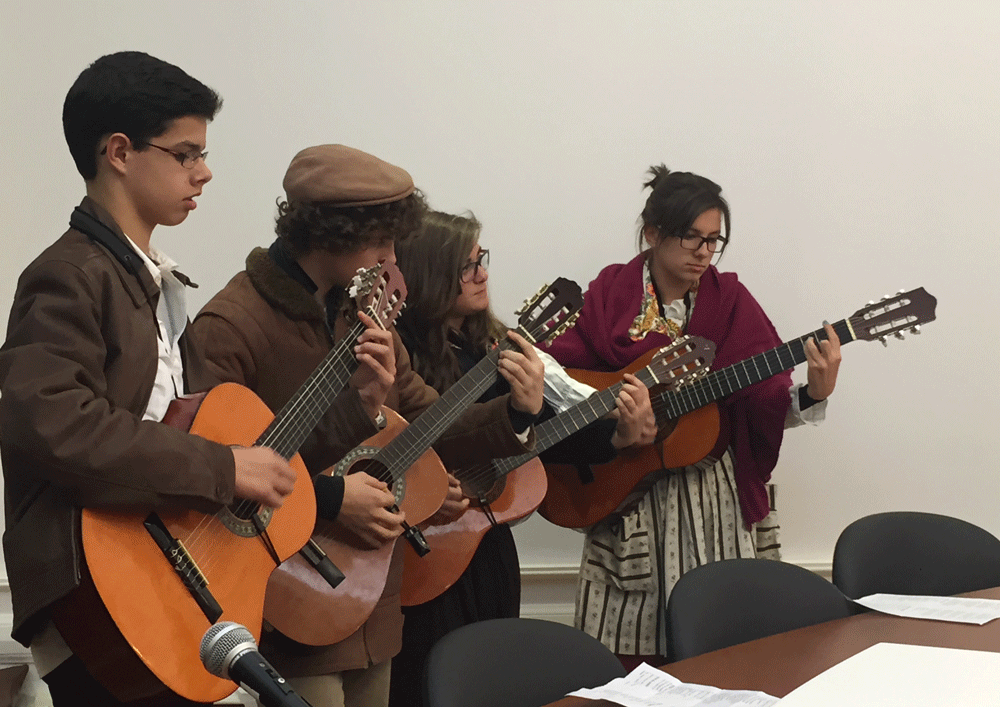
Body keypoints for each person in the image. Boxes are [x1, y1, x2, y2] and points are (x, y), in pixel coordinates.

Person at [190, 144, 546, 707]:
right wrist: (331, 497)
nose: (390, 259)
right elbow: (215, 473)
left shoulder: (362, 305)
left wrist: (516, 413)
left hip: (373, 598)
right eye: (380, 242)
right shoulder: (231, 325)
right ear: (328, 234)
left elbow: (432, 420)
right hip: (292, 596)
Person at [0, 52, 301, 706]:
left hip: (154, 570)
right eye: (186, 152)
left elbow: (186, 416)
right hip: (96, 587)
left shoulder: (149, 278)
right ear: (119, 151)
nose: (205, 170)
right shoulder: (69, 274)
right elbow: (54, 423)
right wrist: (224, 468)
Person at [540, 165, 842, 667]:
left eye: (714, 241)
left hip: (712, 498)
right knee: (630, 666)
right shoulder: (610, 295)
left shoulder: (731, 303)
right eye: (691, 238)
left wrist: (813, 392)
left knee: (722, 645)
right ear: (654, 233)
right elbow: (553, 381)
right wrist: (617, 426)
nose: (704, 253)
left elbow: (761, 402)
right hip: (629, 497)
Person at [388, 209, 657, 707]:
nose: (483, 273)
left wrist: (619, 437)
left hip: (486, 544)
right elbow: (400, 440)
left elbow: (548, 431)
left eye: (481, 260)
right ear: (431, 271)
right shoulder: (398, 352)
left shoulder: (496, 346)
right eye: (468, 265)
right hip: (417, 548)